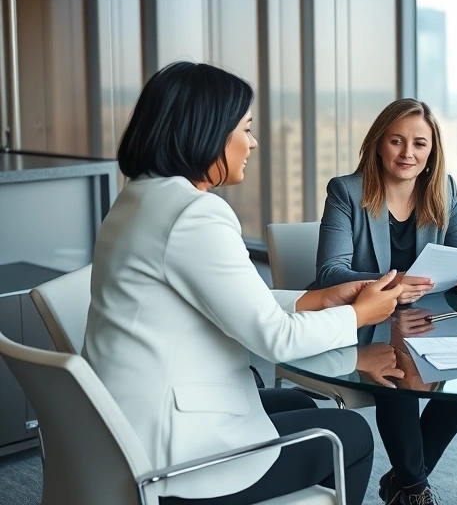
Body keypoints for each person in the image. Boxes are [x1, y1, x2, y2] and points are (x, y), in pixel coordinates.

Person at [82, 62, 404, 505]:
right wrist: (357, 315)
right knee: (350, 434)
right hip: (169, 461)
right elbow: (275, 340)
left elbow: (216, 295)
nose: (251, 142)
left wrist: (316, 299)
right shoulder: (195, 214)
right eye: (246, 129)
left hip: (120, 429)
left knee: (299, 406)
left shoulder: (138, 198)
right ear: (209, 132)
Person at [313, 97, 457, 505]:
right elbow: (330, 273)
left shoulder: (443, 189)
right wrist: (395, 281)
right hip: (360, 316)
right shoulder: (347, 192)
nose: (408, 153)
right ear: (378, 143)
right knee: (401, 365)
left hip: (426, 316)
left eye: (420, 144)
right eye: (397, 141)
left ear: (432, 151)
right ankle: (414, 489)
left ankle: (404, 483)